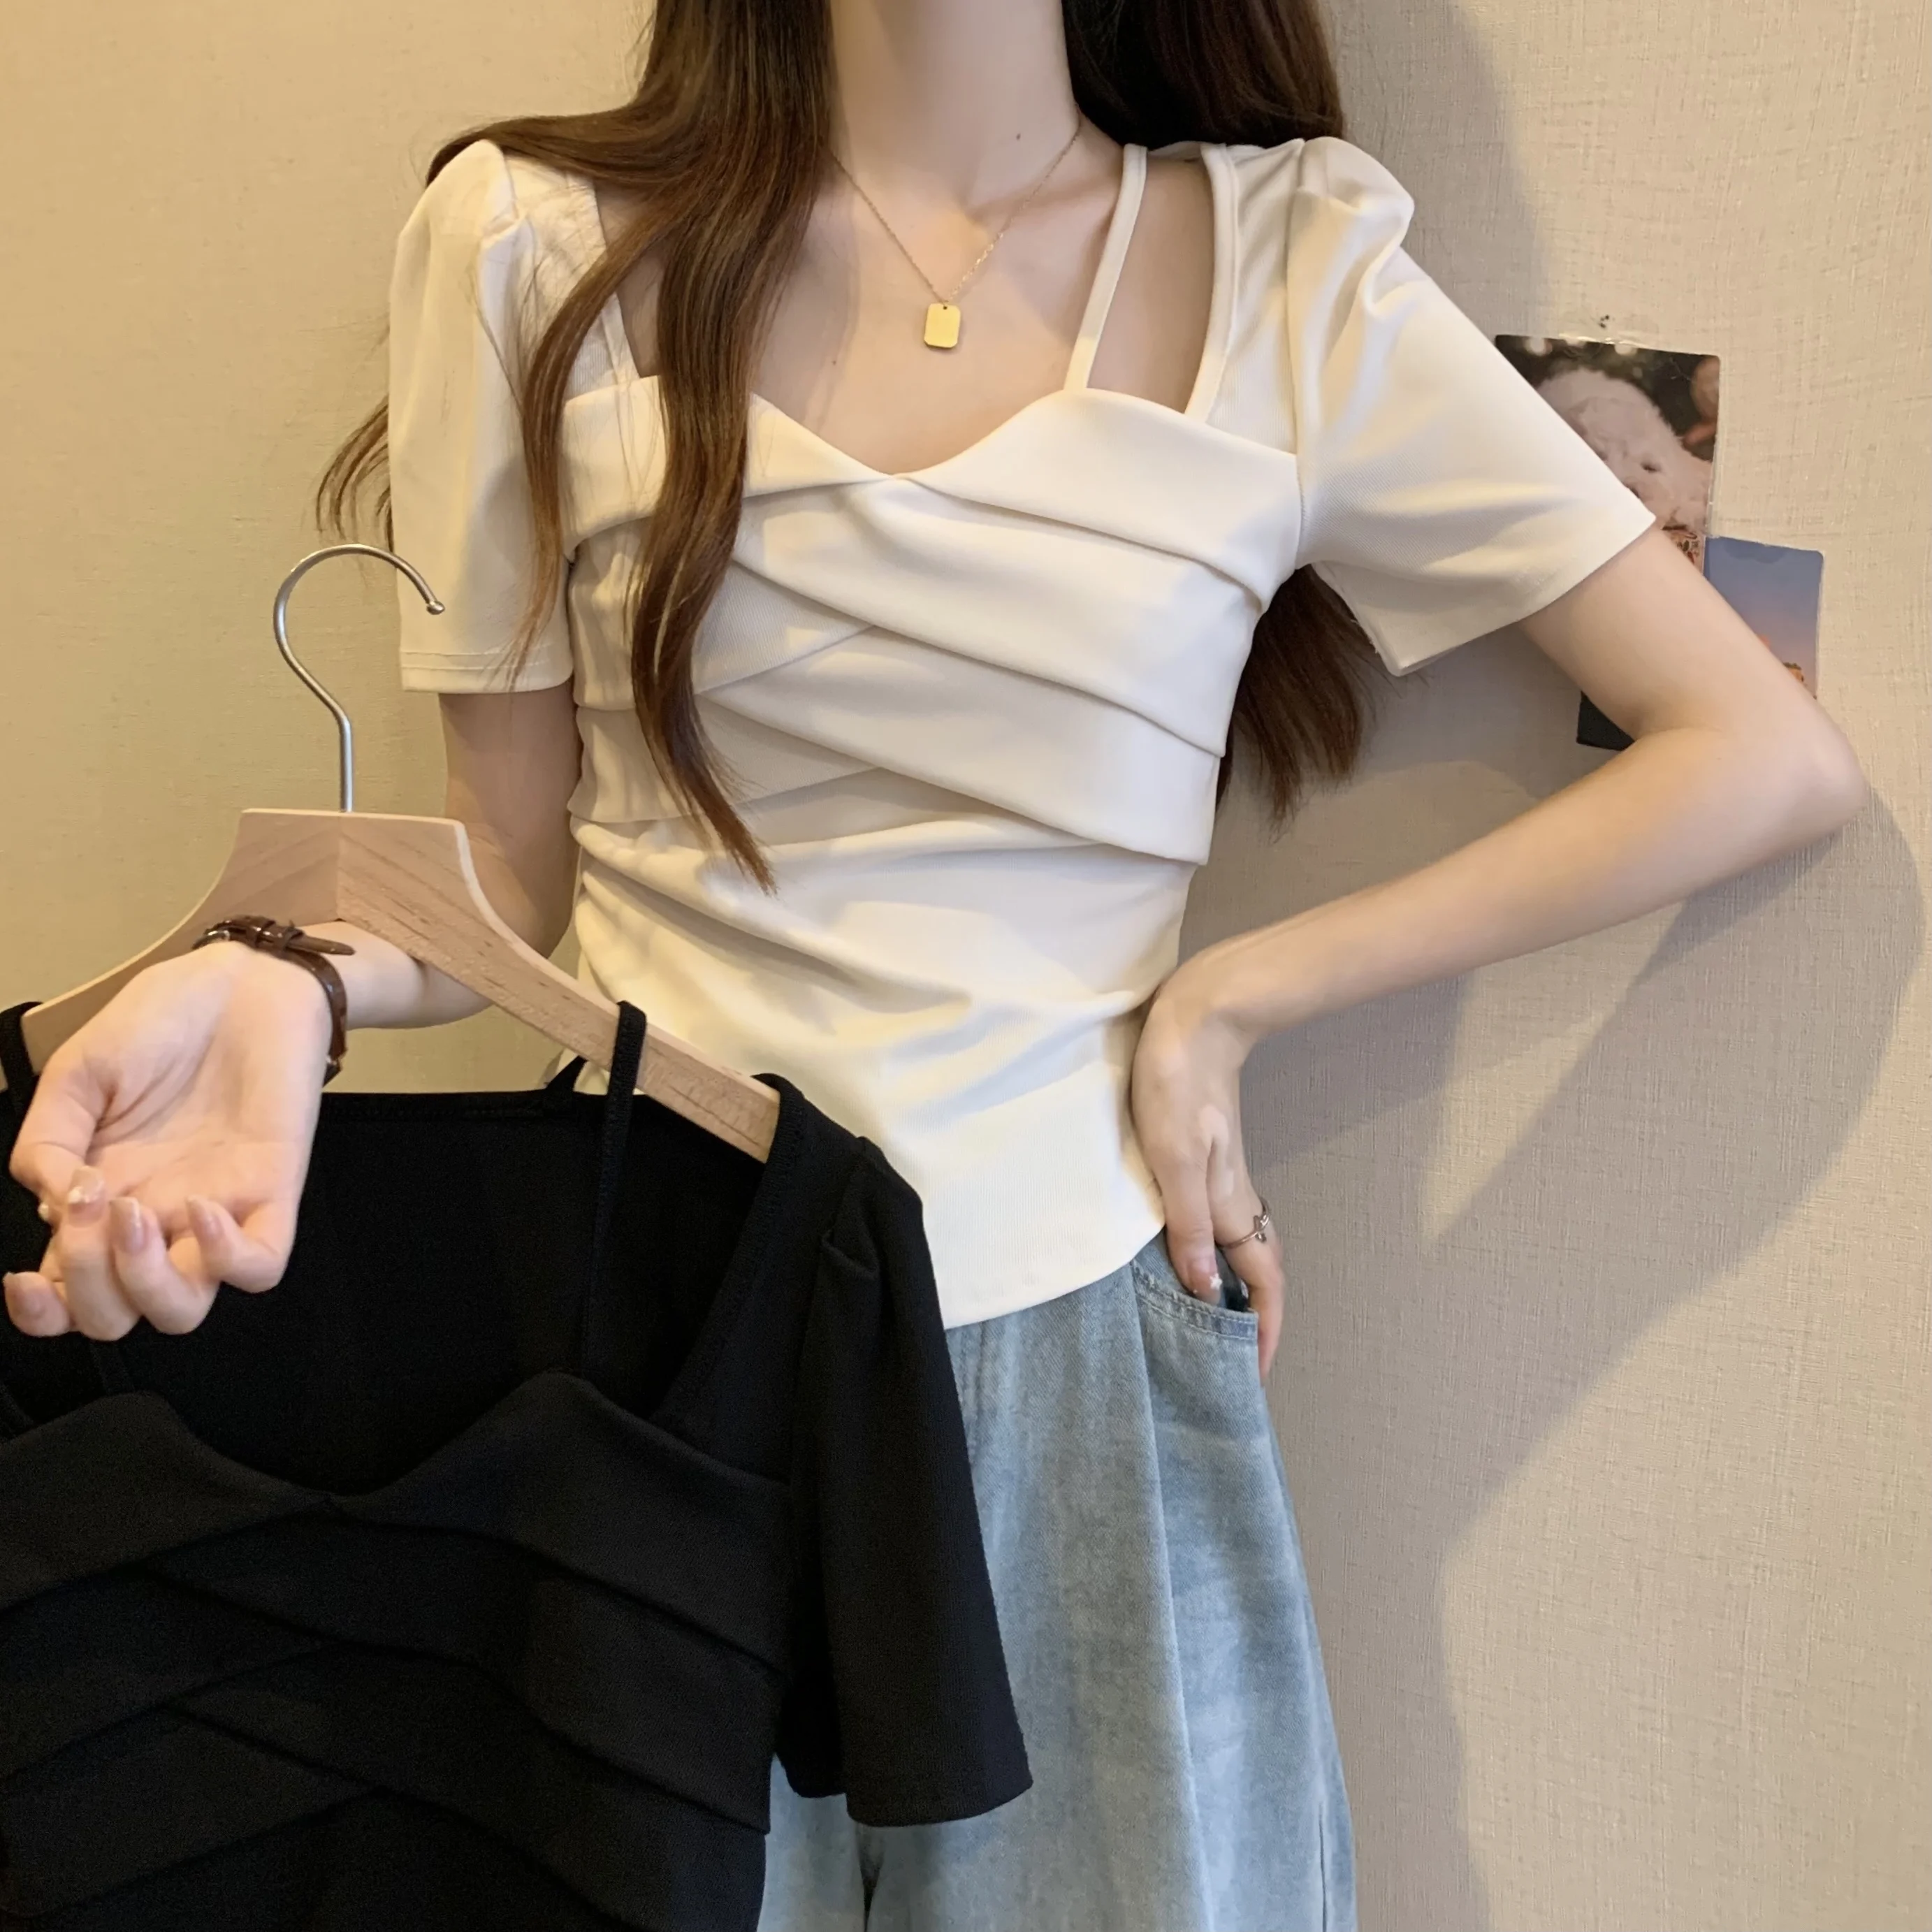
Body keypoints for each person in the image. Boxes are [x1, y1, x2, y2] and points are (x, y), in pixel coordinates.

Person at [2, 1, 1867, 1928]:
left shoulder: (1289, 266)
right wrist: (283, 975)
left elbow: (1759, 753)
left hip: (1078, 1362)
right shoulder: (529, 244)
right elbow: (507, 872)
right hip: (656, 1363)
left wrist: (1231, 1001)